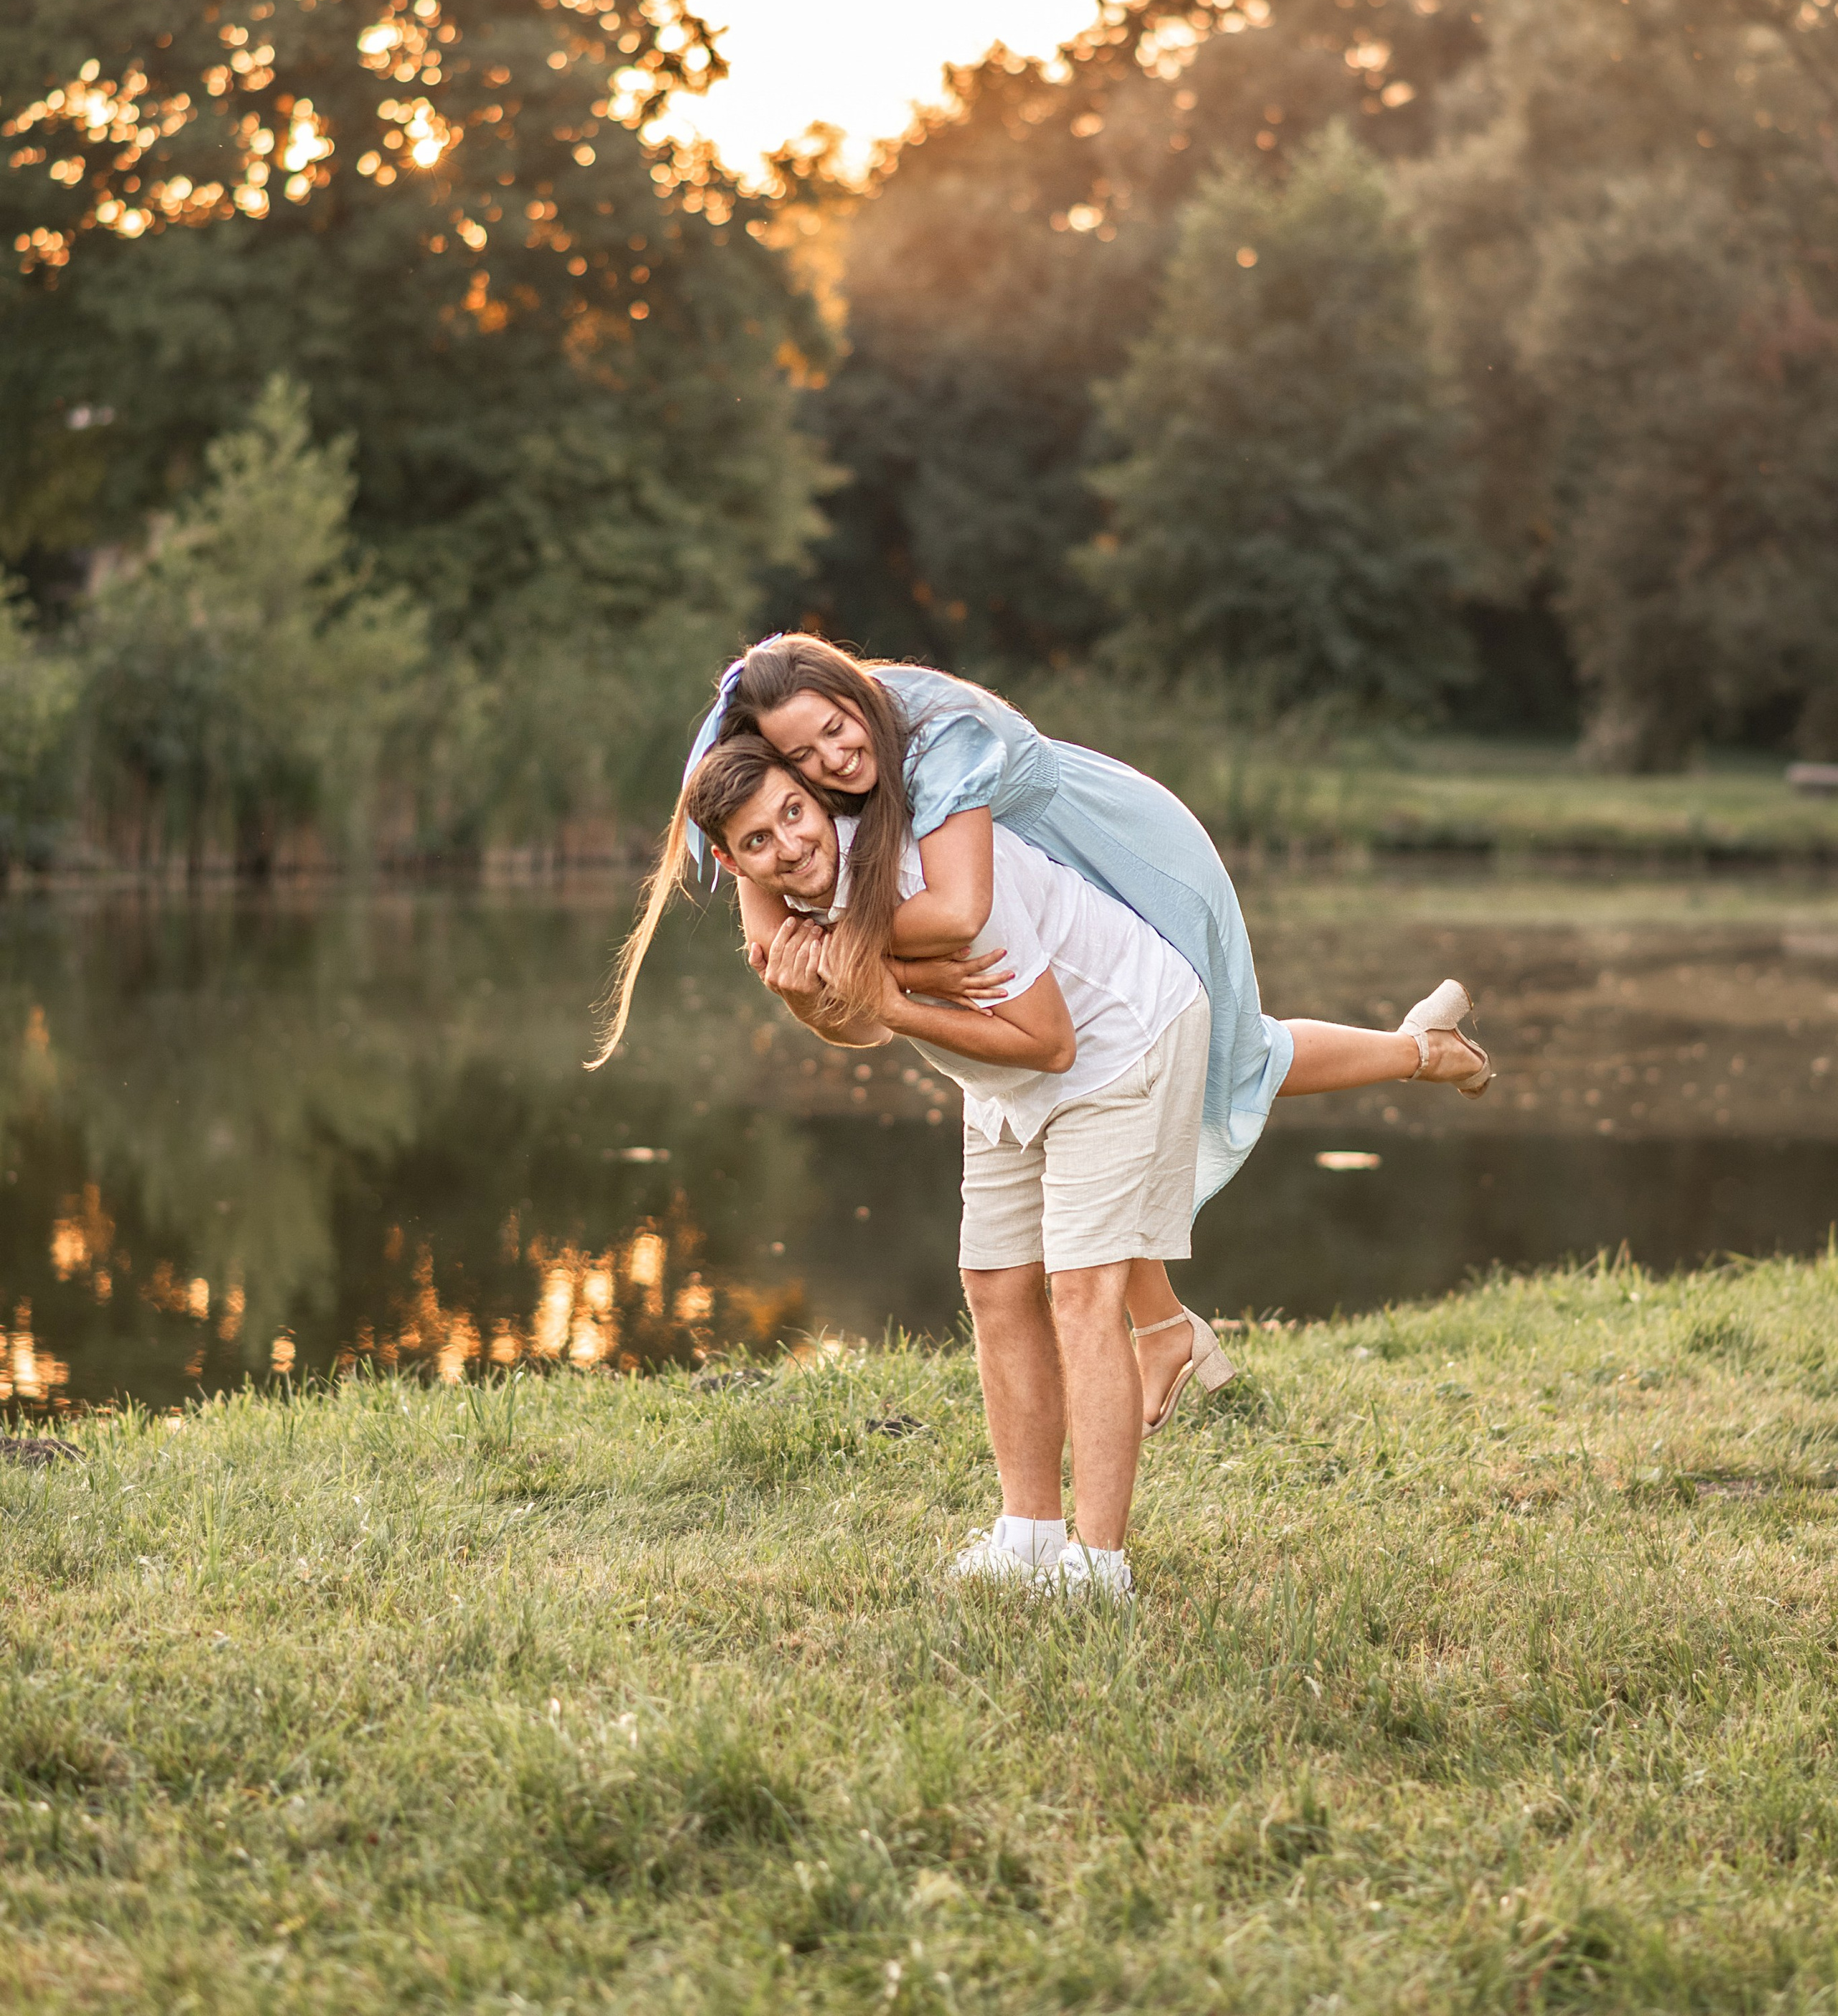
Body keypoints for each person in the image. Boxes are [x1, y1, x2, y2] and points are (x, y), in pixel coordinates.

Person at [597, 634, 1493, 1430]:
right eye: (803, 754)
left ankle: (1412, 1060)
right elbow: (776, 949)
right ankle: (1413, 1060)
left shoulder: (935, 732)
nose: (833, 760)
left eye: (838, 728)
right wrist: (851, 970)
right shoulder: (752, 772)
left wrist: (872, 969)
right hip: (1015, 876)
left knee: (1215, 1046)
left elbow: (956, 912)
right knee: (1103, 1085)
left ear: (856, 693)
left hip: (1103, 842)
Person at [676, 731, 1485, 1603]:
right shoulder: (795, 904)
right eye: (760, 841)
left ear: (817, 797)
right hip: (1003, 1077)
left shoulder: (917, 870)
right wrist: (807, 998)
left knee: (1082, 1291)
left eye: (795, 813)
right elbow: (861, 1023)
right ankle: (1027, 1535)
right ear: (733, 862)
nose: (790, 844)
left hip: (1117, 1043)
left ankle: (1100, 1566)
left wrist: (897, 1003)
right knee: (991, 1283)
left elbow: (1048, 1041)